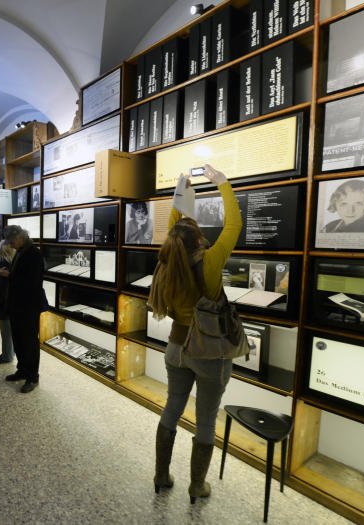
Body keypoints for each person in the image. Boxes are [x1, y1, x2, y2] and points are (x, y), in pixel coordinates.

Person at [146, 164, 242, 503]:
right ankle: (197, 486)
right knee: (205, 420)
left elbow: (175, 227)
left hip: (176, 347)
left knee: (172, 407)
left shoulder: (166, 264)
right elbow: (234, 225)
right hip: (210, 352)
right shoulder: (210, 263)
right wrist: (222, 183)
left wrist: (181, 190)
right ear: (198, 239)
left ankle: (161, 475)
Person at [0, 225, 44, 393]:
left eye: (11, 241)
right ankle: (22, 370)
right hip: (17, 305)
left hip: (29, 307)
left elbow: (32, 282)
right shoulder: (21, 251)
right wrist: (10, 273)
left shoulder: (34, 254)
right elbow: (20, 274)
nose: (10, 245)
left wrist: (9, 276)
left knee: (29, 342)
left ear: (20, 237)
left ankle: (32, 377)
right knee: (18, 340)